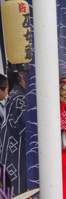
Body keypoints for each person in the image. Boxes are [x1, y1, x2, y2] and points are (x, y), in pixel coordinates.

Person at [0, 67, 26, 196]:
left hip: (11, 158)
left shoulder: (16, 95)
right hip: (17, 161)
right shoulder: (20, 98)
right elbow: (28, 132)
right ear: (21, 74)